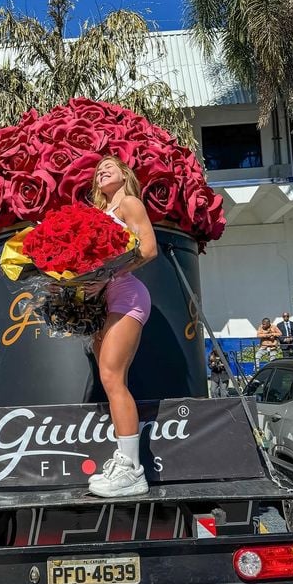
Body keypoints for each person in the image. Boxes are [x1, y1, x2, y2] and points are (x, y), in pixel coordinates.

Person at [85, 155, 158, 498]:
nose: (102, 171)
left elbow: (148, 249)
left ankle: (132, 471)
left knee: (112, 378)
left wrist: (108, 273)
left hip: (127, 295)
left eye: (109, 167)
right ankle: (123, 461)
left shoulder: (129, 202)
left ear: (126, 173)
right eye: (98, 170)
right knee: (113, 379)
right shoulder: (98, 213)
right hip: (106, 300)